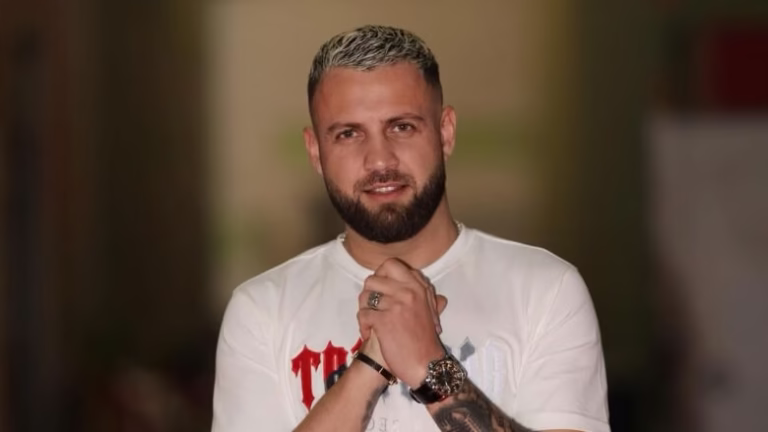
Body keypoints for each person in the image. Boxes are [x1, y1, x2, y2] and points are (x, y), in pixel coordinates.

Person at [212, 25, 610, 432]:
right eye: (348, 134)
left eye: (401, 127)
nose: (379, 160)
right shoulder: (261, 312)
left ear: (445, 132)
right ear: (315, 151)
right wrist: (372, 364)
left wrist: (429, 365)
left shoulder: (545, 291)